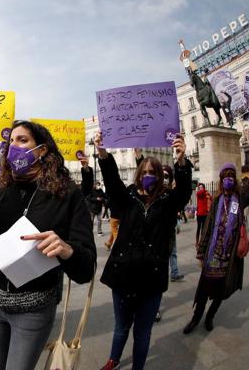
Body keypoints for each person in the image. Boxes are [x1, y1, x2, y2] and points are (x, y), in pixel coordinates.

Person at [0, 120, 96, 370]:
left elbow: (86, 268)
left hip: (34, 310)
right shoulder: (2, 189)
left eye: (22, 140)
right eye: (10, 143)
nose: (14, 147)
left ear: (41, 150)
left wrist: (67, 250)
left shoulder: (67, 194)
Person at [95, 132, 192, 370]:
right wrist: (103, 154)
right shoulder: (127, 196)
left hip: (151, 278)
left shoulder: (168, 200)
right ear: (139, 175)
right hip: (123, 275)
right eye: (145, 172)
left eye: (153, 173)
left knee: (143, 332)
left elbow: (184, 192)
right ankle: (113, 359)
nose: (148, 176)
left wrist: (181, 161)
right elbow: (112, 181)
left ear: (159, 177)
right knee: (120, 327)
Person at [184, 155, 249, 334]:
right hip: (212, 256)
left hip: (229, 257)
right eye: (225, 176)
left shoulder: (239, 198)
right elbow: (208, 228)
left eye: (231, 176)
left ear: (234, 180)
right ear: (221, 180)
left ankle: (210, 317)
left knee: (220, 291)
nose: (228, 179)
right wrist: (201, 252)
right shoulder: (217, 200)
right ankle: (196, 319)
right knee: (203, 291)